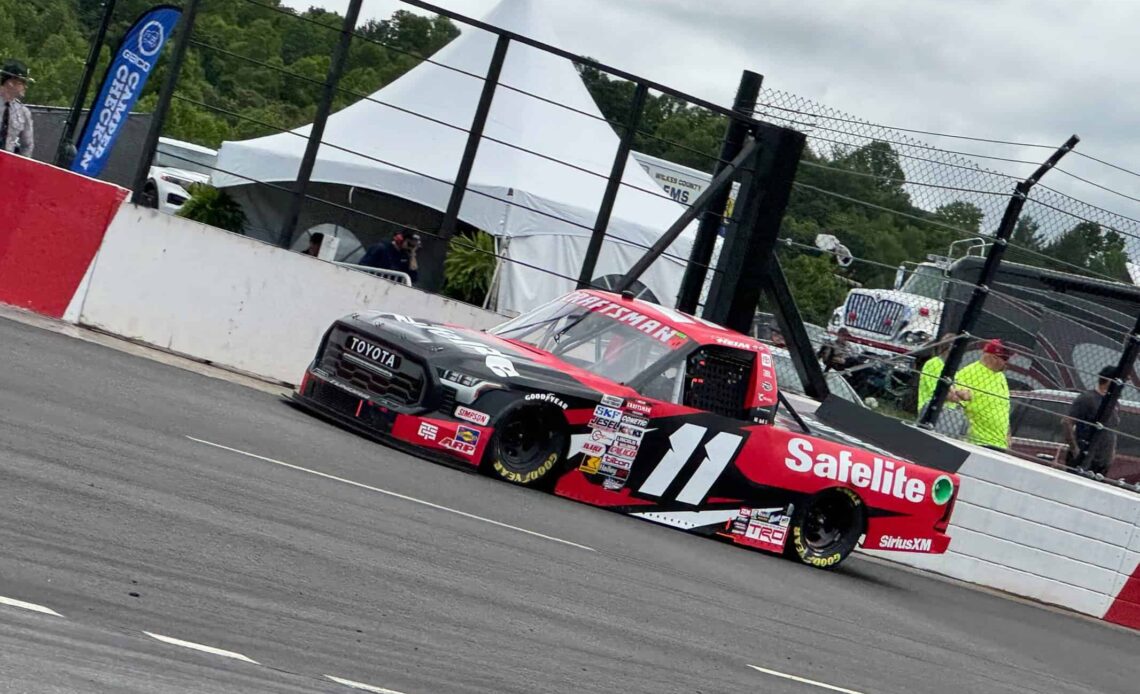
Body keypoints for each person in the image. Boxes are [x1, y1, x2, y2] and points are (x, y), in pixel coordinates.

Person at [954, 339, 1013, 449]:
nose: (1007, 362)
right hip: (979, 442)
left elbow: (1004, 408)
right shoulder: (969, 373)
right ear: (992, 357)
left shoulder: (1000, 376)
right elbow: (957, 398)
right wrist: (961, 394)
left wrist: (1008, 434)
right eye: (1005, 358)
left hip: (999, 443)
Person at [1063, 366, 1121, 476]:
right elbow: (1067, 422)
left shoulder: (1114, 403)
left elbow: (1113, 429)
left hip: (1103, 459)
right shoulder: (1088, 398)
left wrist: (1111, 453)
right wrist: (1075, 449)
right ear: (1109, 380)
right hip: (1085, 456)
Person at [917, 333, 970, 436]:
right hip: (932, 411)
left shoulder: (954, 368)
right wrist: (957, 393)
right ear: (951, 348)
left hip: (951, 416)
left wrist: (956, 393)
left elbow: (967, 395)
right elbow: (944, 394)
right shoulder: (934, 364)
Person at [1, 59, 35, 157]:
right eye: (22, 83)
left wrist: (19, 167)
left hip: (5, 164)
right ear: (11, 82)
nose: (25, 87)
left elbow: (27, 145)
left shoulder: (23, 112)